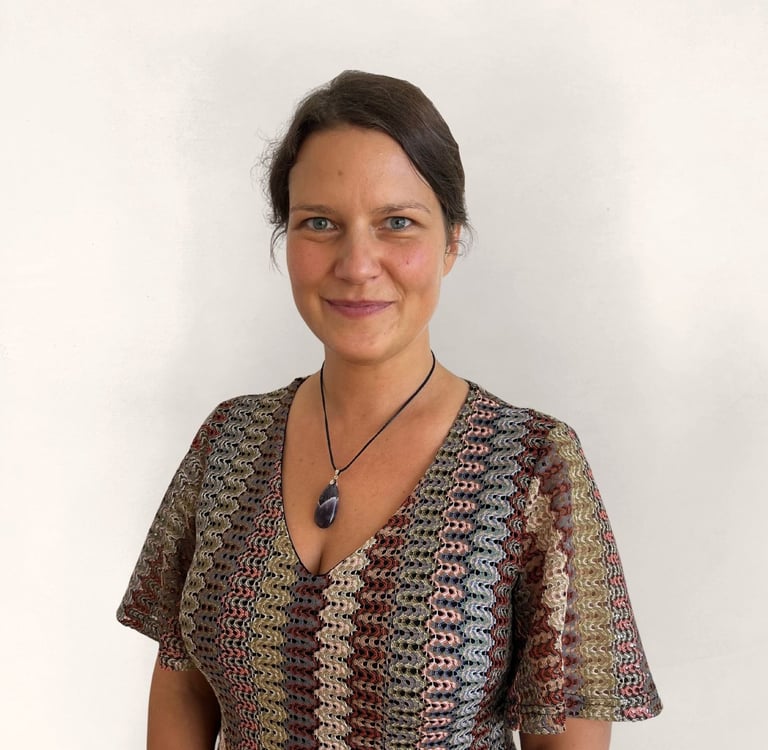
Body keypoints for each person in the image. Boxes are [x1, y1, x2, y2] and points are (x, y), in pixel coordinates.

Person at [118, 70, 662, 750]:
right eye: (320, 223)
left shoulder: (530, 465)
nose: (357, 264)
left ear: (451, 241)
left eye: (397, 223)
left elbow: (566, 733)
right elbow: (183, 681)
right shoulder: (230, 440)